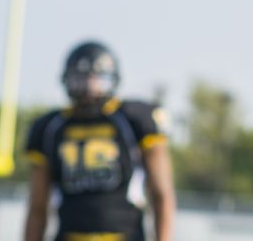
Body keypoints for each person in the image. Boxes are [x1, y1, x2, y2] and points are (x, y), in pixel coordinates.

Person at [24, 42, 174, 241]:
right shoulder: (51, 127)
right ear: (67, 79)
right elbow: (37, 207)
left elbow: (162, 194)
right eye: (80, 78)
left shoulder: (133, 119)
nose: (89, 87)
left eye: (97, 78)